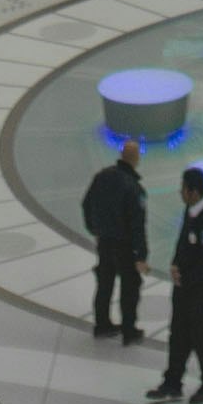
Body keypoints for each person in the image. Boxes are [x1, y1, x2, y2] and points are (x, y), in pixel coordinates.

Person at [150, 163, 203, 404]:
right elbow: (183, 240)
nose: (180, 192)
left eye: (183, 188)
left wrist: (187, 278)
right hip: (185, 286)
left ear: (194, 192)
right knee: (179, 334)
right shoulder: (191, 210)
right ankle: (173, 382)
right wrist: (176, 264)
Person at [82, 138, 150, 347]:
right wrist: (141, 255)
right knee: (130, 286)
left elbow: (86, 203)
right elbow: (138, 225)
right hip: (124, 245)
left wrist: (94, 228)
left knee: (105, 282)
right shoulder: (134, 189)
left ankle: (102, 324)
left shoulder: (102, 177)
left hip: (105, 241)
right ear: (135, 159)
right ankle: (128, 329)